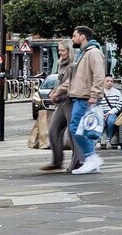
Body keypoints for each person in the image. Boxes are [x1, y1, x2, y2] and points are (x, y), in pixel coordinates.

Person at [66, 26, 109, 175]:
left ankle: (91, 157)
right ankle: (91, 162)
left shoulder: (93, 53)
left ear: (82, 37)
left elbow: (99, 75)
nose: (73, 38)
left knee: (76, 128)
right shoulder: (83, 54)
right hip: (81, 96)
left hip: (86, 97)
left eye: (74, 35)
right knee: (85, 129)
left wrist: (94, 94)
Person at [41, 41, 76, 173]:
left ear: (69, 51)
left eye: (63, 50)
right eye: (59, 50)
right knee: (53, 130)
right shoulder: (61, 63)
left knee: (73, 133)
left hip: (70, 100)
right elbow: (60, 81)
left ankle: (77, 161)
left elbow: (70, 83)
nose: (60, 53)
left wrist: (58, 93)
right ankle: (56, 161)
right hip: (61, 102)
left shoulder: (73, 65)